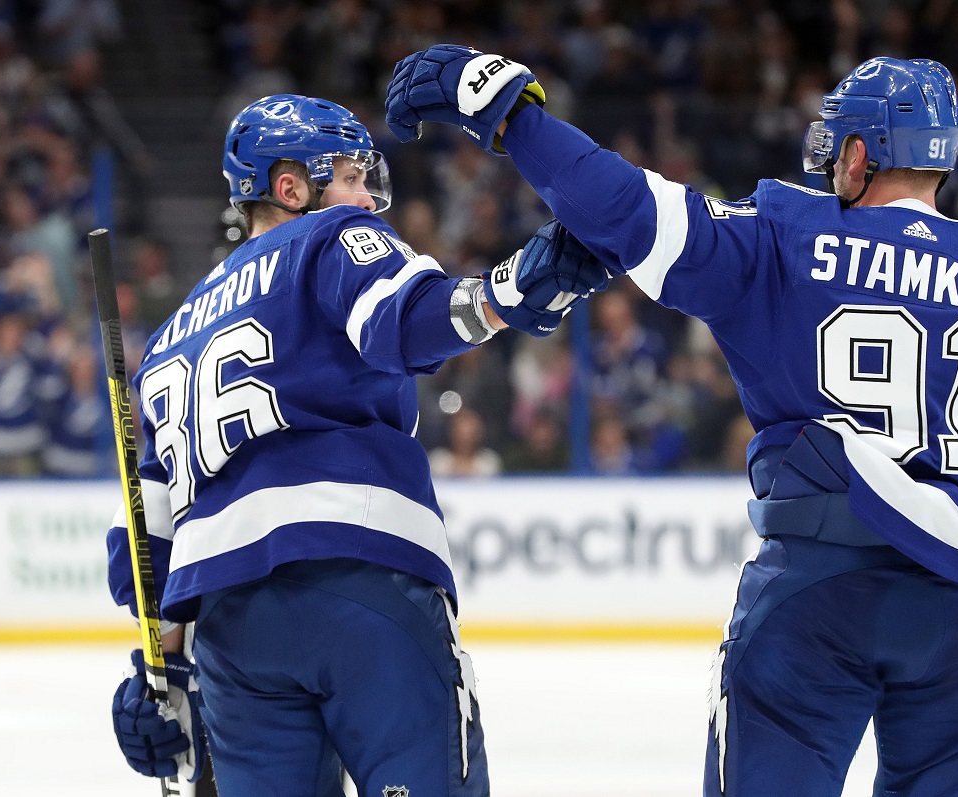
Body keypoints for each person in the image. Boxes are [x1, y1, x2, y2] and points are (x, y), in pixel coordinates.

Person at [386, 49, 958, 795]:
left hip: (821, 588)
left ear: (856, 152)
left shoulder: (783, 232)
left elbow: (622, 205)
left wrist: (511, 112)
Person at [106, 93, 608, 796]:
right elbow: (408, 319)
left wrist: (162, 678)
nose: (366, 198)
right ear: (290, 187)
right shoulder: (326, 238)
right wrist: (512, 288)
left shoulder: (166, 340)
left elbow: (145, 542)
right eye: (348, 175)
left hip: (231, 635)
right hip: (358, 579)